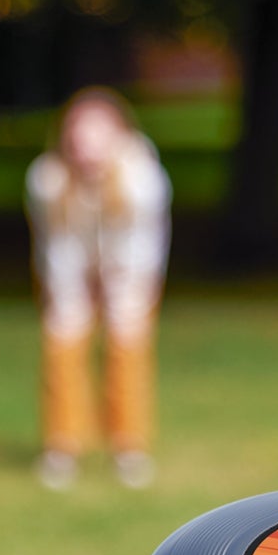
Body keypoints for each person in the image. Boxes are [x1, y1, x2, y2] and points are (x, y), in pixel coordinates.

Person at [25, 87, 172, 490]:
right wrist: (72, 294)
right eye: (78, 136)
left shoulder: (143, 179)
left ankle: (129, 448)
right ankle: (62, 446)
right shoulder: (47, 179)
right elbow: (56, 246)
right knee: (62, 342)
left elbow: (143, 246)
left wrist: (118, 289)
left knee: (127, 347)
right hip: (69, 270)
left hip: (130, 271)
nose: (86, 147)